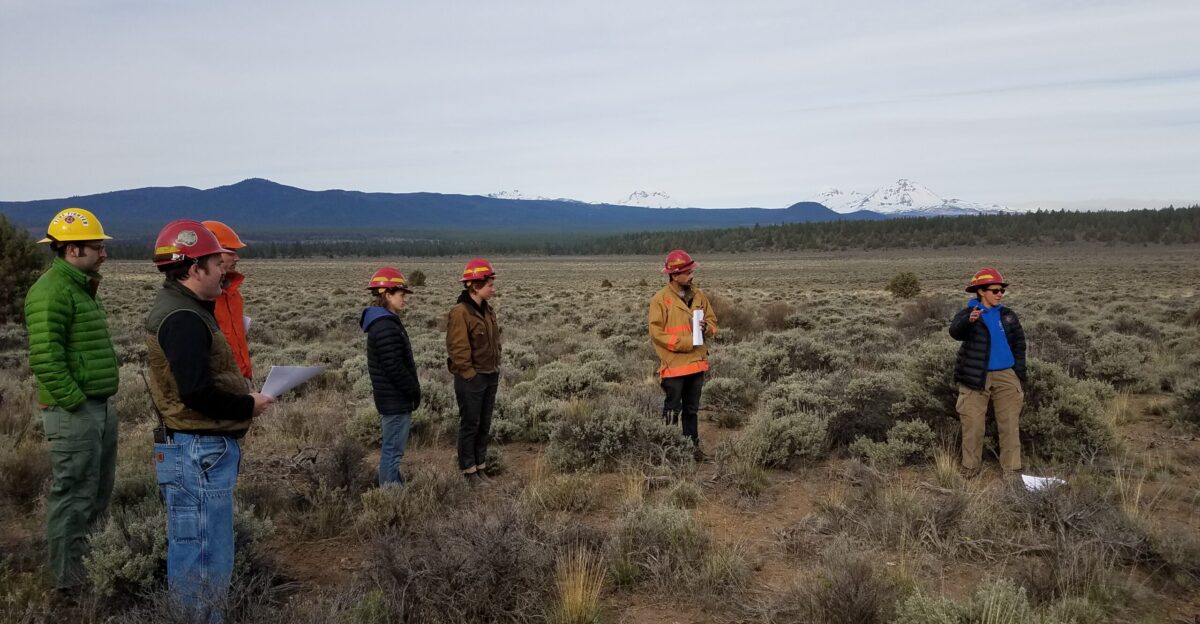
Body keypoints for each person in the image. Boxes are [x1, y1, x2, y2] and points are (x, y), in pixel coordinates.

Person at [145, 220, 273, 621]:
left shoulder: (184, 309)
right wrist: (246, 405)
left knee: (199, 548)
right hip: (198, 451)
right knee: (204, 554)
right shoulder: (182, 318)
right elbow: (196, 393)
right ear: (194, 268)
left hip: (194, 451)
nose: (224, 270)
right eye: (217, 263)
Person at [24, 207, 120, 594]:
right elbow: (46, 357)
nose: (104, 253)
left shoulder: (79, 286)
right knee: (75, 494)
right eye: (97, 246)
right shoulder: (50, 292)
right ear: (73, 250)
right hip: (74, 411)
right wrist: (75, 402)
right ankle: (70, 583)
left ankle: (93, 569)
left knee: (97, 492)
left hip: (97, 406)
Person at [949, 267, 1027, 478]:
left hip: (1006, 375)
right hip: (975, 376)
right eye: (995, 290)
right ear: (981, 291)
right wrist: (969, 320)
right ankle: (970, 467)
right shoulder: (968, 314)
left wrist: (1017, 373)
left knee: (1009, 424)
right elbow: (955, 332)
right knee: (973, 424)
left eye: (1002, 290)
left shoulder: (1008, 315)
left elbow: (1020, 344)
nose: (1000, 293)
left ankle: (1011, 469)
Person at [648, 249, 717, 460]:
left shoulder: (699, 296)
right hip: (674, 365)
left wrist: (706, 329)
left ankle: (692, 450)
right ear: (674, 275)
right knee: (672, 411)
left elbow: (713, 322)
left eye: (690, 271)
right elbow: (656, 333)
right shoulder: (660, 300)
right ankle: (668, 452)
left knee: (691, 411)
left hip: (697, 364)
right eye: (686, 272)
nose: (691, 275)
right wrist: (686, 342)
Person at [361, 267, 421, 486]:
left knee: (392, 448)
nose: (404, 299)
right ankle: (389, 495)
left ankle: (392, 488)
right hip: (395, 399)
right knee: (393, 451)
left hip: (392, 398)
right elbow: (393, 367)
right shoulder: (385, 325)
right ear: (386, 295)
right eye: (401, 294)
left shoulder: (382, 322)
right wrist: (413, 390)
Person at [445, 258, 501, 483]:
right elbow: (457, 349)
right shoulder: (460, 312)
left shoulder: (488, 310)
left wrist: (494, 370)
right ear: (476, 286)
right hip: (472, 379)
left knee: (484, 424)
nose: (493, 288)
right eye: (490, 284)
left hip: (490, 375)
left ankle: (481, 466)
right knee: (470, 424)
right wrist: (470, 375)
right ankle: (468, 471)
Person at [201, 221, 253, 384]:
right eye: (230, 251)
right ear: (209, 253)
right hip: (215, 390)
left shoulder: (233, 294)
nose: (237, 257)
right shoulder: (196, 299)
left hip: (239, 381)